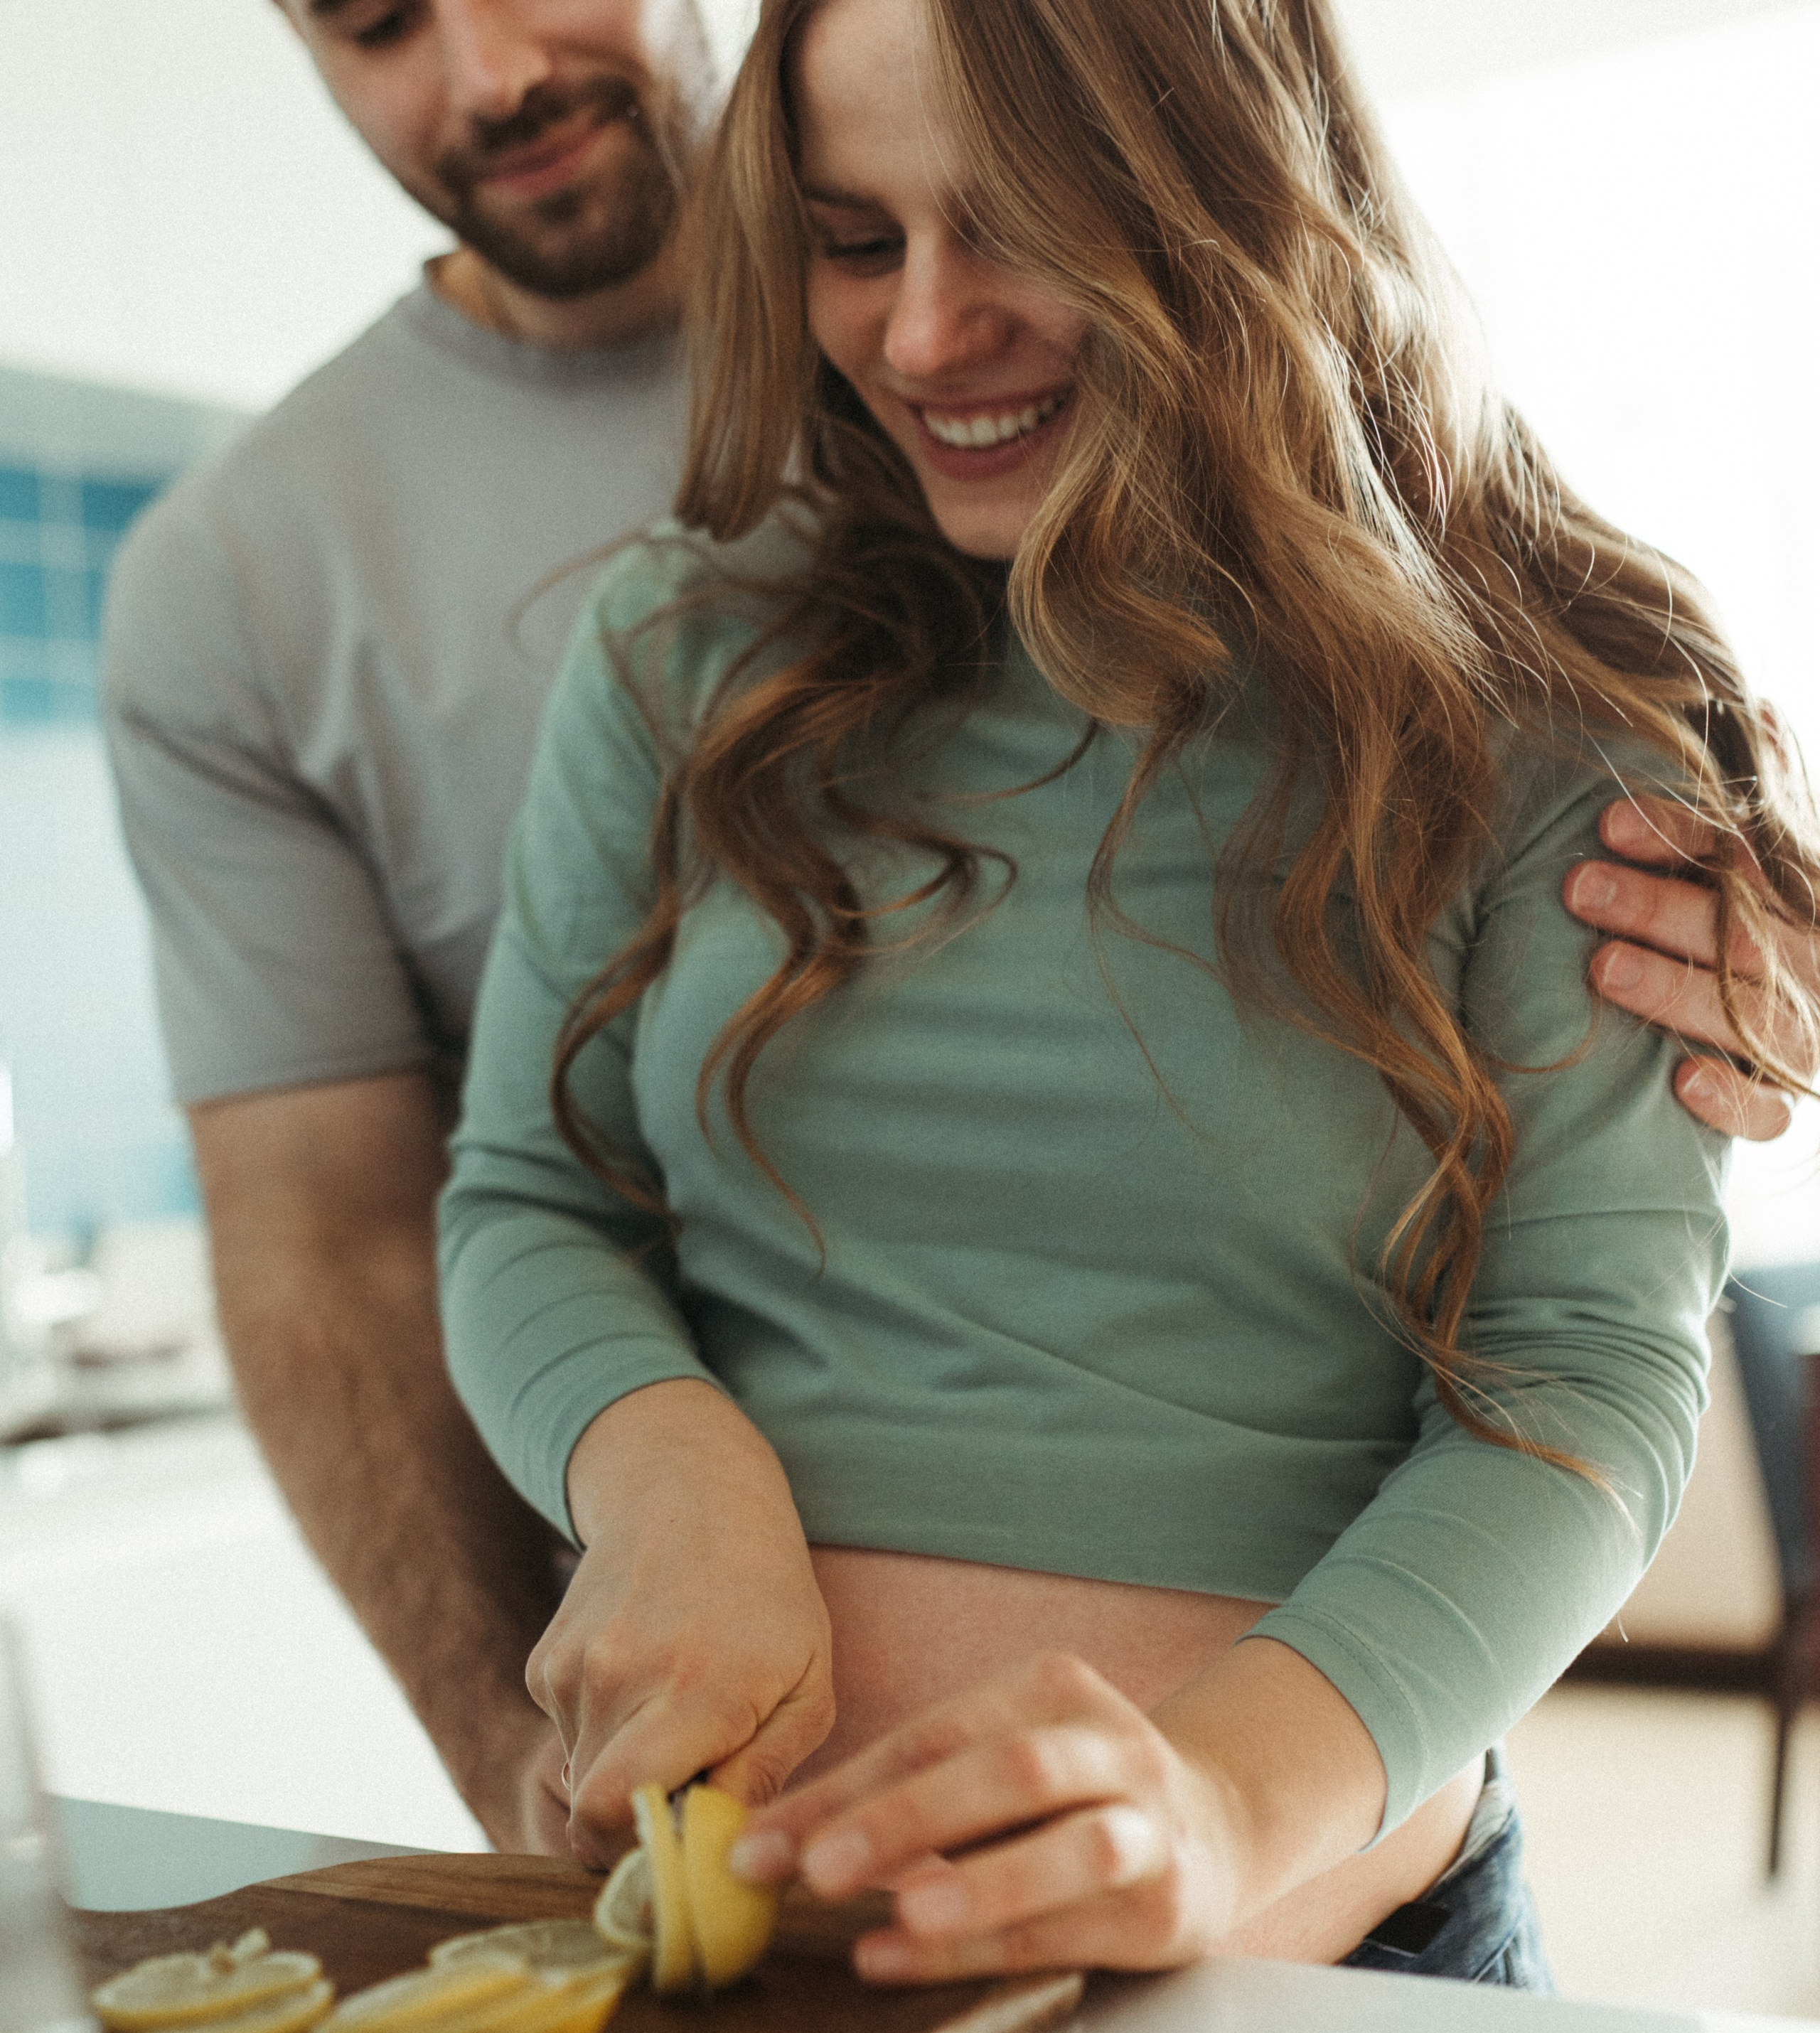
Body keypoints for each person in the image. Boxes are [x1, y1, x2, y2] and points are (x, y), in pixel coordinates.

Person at [103, 0, 1804, 1872]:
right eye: (853, 243)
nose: (924, 331)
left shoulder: (1546, 717)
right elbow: (496, 1197)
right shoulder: (660, 636)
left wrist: (1227, 1808)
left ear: (1216, 201)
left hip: (1320, 1948)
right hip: (757, 1947)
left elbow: (1581, 1365)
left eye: (1024, 222)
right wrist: (671, 1479)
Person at [100, 0, 711, 1852]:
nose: (486, 76)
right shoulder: (240, 577)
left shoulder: (995, 335)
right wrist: (505, 1766)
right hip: (723, 1783)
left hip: (1287, 1753)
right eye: (376, 21)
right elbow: (332, 1239)